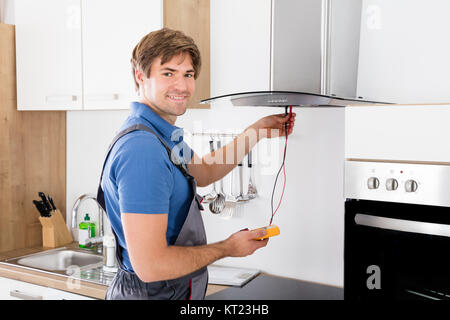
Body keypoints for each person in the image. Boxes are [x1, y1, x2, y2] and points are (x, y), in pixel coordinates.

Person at [97, 28, 296, 300]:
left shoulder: (160, 134)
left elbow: (203, 171)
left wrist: (257, 131)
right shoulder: (143, 150)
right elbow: (151, 266)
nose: (182, 86)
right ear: (140, 76)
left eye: (188, 74)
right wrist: (227, 248)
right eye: (168, 73)